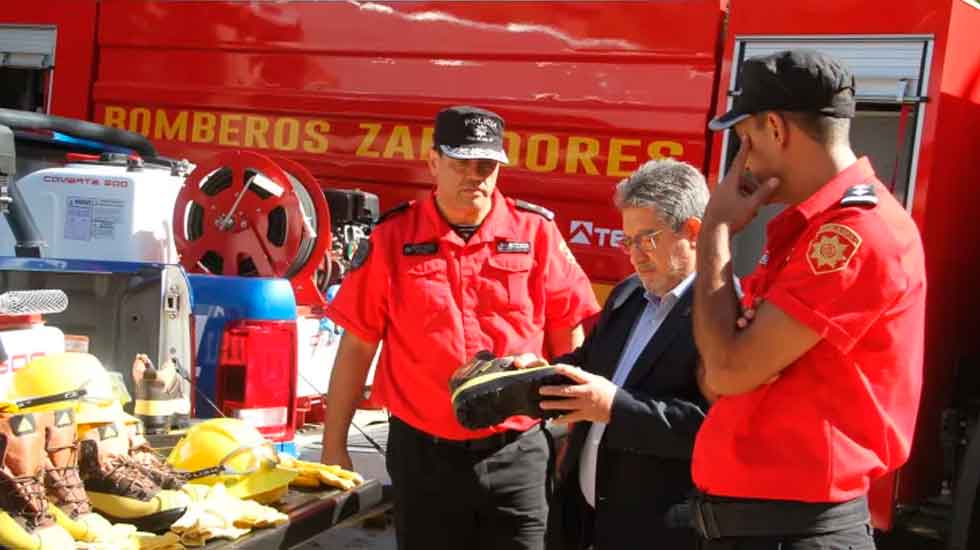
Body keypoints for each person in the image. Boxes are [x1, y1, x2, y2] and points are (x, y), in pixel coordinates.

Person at [321, 105, 600, 550]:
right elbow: (357, 346)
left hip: (520, 452)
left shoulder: (536, 233)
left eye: (487, 165)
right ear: (433, 162)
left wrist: (571, 432)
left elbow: (572, 333)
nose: (476, 176)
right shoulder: (393, 237)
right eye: (461, 163)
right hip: (424, 457)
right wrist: (333, 445)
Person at [691, 49, 926, 549]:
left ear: (775, 127)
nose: (744, 161)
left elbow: (728, 369)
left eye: (747, 140)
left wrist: (714, 231)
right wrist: (730, 363)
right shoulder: (812, 230)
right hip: (771, 525)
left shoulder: (853, 234)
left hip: (796, 528)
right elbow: (717, 376)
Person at [517, 158, 710, 549]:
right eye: (628, 241)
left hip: (659, 533)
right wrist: (541, 372)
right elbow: (589, 365)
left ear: (692, 231)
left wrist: (615, 408)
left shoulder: (721, 313)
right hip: (583, 520)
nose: (634, 255)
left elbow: (713, 428)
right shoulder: (627, 295)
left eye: (647, 239)